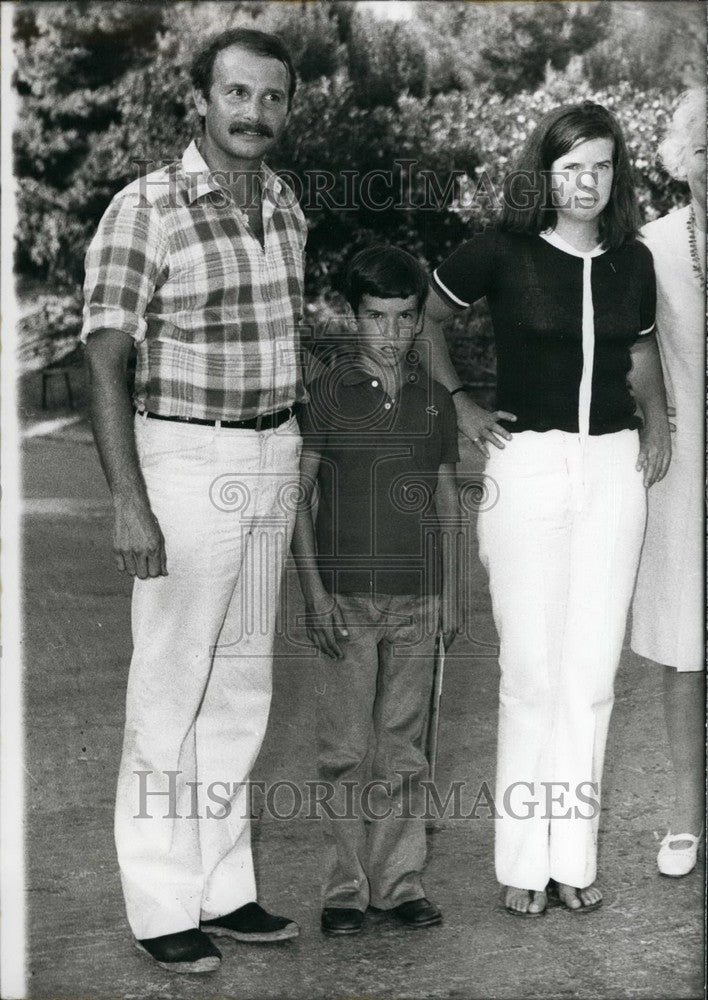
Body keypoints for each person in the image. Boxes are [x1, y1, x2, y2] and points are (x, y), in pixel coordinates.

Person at [82, 28, 306, 973]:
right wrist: (129, 499)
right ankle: (160, 901)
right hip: (181, 457)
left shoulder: (288, 206)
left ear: (287, 109)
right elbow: (103, 352)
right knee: (172, 687)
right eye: (237, 94)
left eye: (272, 98)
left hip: (273, 453)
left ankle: (223, 888)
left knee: (243, 687)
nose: (254, 113)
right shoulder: (146, 208)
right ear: (202, 103)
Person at [418, 102, 671, 916]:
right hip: (524, 466)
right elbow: (427, 318)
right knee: (531, 673)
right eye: (571, 167)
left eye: (600, 165)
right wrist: (460, 404)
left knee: (591, 677)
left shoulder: (632, 260)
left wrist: (658, 422)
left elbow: (638, 352)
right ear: (546, 172)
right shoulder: (503, 251)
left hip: (611, 469)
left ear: (616, 172)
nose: (587, 181)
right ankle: (522, 862)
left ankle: (573, 858)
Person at [291, 246, 462, 936]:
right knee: (344, 748)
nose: (391, 334)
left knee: (401, 745)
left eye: (404, 318)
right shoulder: (328, 394)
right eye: (376, 317)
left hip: (418, 600)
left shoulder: (431, 400)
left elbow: (449, 499)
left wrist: (455, 594)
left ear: (419, 320)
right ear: (352, 317)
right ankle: (344, 889)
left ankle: (398, 882)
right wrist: (314, 593)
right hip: (347, 600)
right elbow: (296, 498)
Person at [631, 88, 706, 877]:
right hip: (685, 463)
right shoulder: (650, 246)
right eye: (704, 147)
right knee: (688, 648)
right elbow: (629, 353)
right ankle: (686, 820)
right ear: (680, 161)